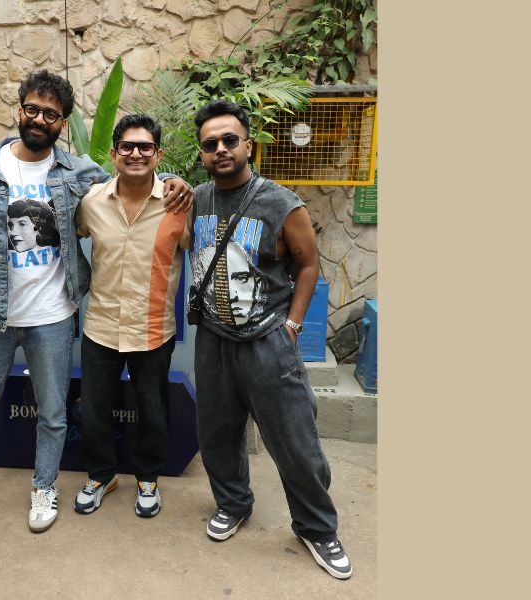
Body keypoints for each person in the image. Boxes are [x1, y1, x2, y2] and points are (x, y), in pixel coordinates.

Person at [0, 69, 191, 533]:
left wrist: (172, 179)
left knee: (52, 413)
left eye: (51, 114)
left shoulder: (77, 172)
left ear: (63, 123)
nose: (40, 119)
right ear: (19, 110)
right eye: (33, 109)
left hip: (52, 314)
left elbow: (132, 175)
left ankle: (44, 487)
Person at [188, 100, 352, 579]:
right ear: (202, 153)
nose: (221, 149)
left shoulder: (281, 203)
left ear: (247, 144)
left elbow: (308, 264)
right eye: (211, 144)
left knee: (295, 439)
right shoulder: (196, 199)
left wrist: (293, 325)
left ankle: (316, 527)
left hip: (267, 341)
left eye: (229, 140)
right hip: (213, 339)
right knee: (217, 434)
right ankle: (233, 503)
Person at [73, 114, 189, 518]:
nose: (136, 153)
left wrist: (179, 182)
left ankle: (148, 479)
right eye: (127, 146)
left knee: (152, 412)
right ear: (114, 153)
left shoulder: (179, 204)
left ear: (158, 154)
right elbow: (69, 234)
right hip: (101, 325)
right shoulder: (91, 203)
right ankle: (101, 476)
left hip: (153, 327)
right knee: (94, 410)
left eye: (145, 147)